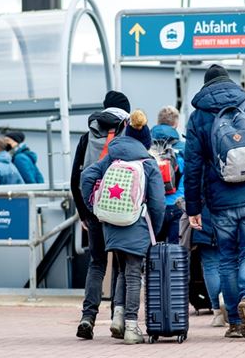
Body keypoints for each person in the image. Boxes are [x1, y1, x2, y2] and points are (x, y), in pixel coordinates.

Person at [184, 64, 245, 340]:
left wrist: (193, 208)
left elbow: (192, 167)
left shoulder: (198, 117)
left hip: (221, 200)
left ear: (206, 87)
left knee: (227, 257)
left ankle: (234, 321)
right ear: (231, 82)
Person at [81, 110, 165, 345]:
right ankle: (130, 326)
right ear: (145, 142)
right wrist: (153, 229)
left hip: (111, 222)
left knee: (120, 267)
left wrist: (93, 205)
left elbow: (86, 176)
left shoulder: (111, 157)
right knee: (133, 273)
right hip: (136, 223)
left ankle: (117, 318)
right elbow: (157, 203)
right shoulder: (148, 163)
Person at [72, 90, 131, 340]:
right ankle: (118, 316)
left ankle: (88, 317)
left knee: (96, 264)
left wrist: (84, 213)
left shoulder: (87, 136)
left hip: (94, 209)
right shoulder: (128, 133)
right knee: (121, 264)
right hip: (121, 209)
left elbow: (76, 178)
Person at [150, 105, 185, 243]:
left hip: (153, 205)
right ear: (176, 124)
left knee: (153, 252)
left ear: (158, 122)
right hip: (178, 204)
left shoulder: (147, 146)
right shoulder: (184, 148)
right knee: (175, 253)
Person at [192, 206, 227, 327]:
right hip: (230, 215)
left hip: (204, 217)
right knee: (232, 263)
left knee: (210, 266)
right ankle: (225, 297)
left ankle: (218, 313)